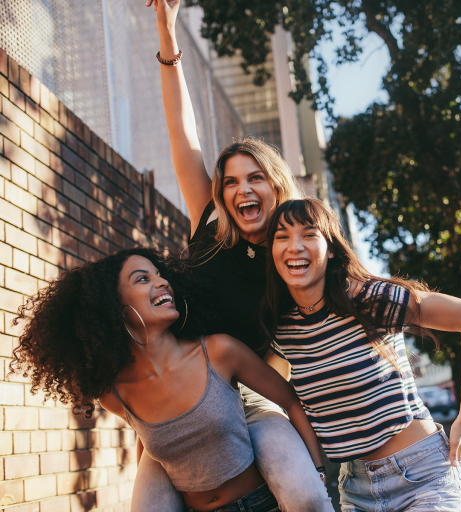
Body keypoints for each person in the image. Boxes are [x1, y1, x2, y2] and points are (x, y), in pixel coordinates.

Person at [145, 1, 333, 510]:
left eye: (255, 178)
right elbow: (182, 132)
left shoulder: (296, 259)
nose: (241, 190)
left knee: (304, 496)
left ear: (276, 186)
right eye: (230, 181)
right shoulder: (208, 220)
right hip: (176, 402)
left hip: (247, 399)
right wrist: (167, 30)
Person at [10, 248, 325, 512]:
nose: (161, 282)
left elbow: (289, 400)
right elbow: (149, 439)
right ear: (114, 308)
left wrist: (317, 469)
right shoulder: (114, 396)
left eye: (160, 276)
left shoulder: (219, 351)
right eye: (143, 279)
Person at [261, 199, 461, 512]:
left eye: (308, 234)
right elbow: (274, 401)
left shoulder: (369, 298)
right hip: (356, 491)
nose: (295, 246)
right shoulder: (285, 330)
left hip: (423, 477)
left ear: (330, 248)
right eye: (282, 236)